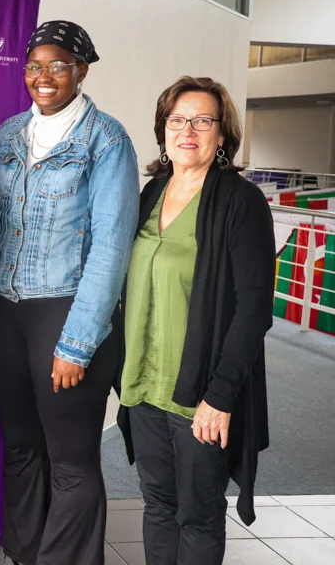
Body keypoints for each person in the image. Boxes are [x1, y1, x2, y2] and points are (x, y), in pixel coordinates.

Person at [0, 21, 140, 565]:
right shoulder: (6, 136)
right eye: (33, 66)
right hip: (3, 312)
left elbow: (112, 247)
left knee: (70, 459)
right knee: (22, 448)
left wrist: (77, 343)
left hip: (66, 310)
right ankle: (24, 554)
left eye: (57, 65)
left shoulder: (108, 139)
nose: (43, 77)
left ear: (82, 70)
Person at [116, 76, 274, 565]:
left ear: (221, 134)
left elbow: (253, 311)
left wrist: (220, 396)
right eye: (177, 119)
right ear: (164, 129)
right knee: (159, 504)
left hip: (200, 396)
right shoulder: (150, 193)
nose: (188, 129)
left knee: (200, 515)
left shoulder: (239, 202)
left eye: (202, 120)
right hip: (143, 386)